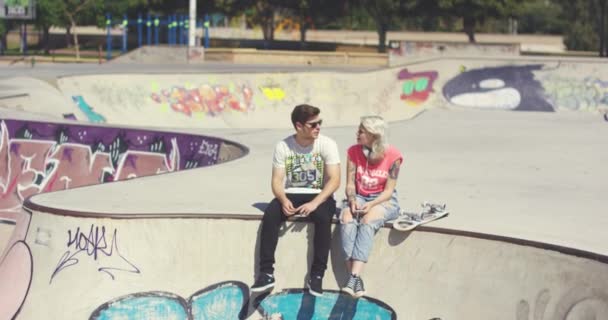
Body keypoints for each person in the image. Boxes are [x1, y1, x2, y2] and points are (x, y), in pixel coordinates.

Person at [251, 104, 341, 297]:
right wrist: (283, 200)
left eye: (320, 123)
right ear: (299, 126)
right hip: (292, 192)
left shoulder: (327, 144)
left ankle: (317, 276)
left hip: (320, 194)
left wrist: (315, 203)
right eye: (313, 124)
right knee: (271, 214)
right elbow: (276, 181)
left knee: (324, 218)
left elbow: (335, 180)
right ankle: (266, 273)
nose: (318, 127)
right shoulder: (283, 146)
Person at [339, 115, 403, 298]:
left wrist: (371, 204)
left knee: (368, 220)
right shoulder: (353, 152)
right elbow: (350, 184)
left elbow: (389, 191)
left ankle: (353, 276)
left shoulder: (394, 156)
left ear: (374, 136)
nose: (357, 134)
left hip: (383, 200)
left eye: (361, 131)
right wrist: (352, 200)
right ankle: (355, 279)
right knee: (346, 217)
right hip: (358, 196)